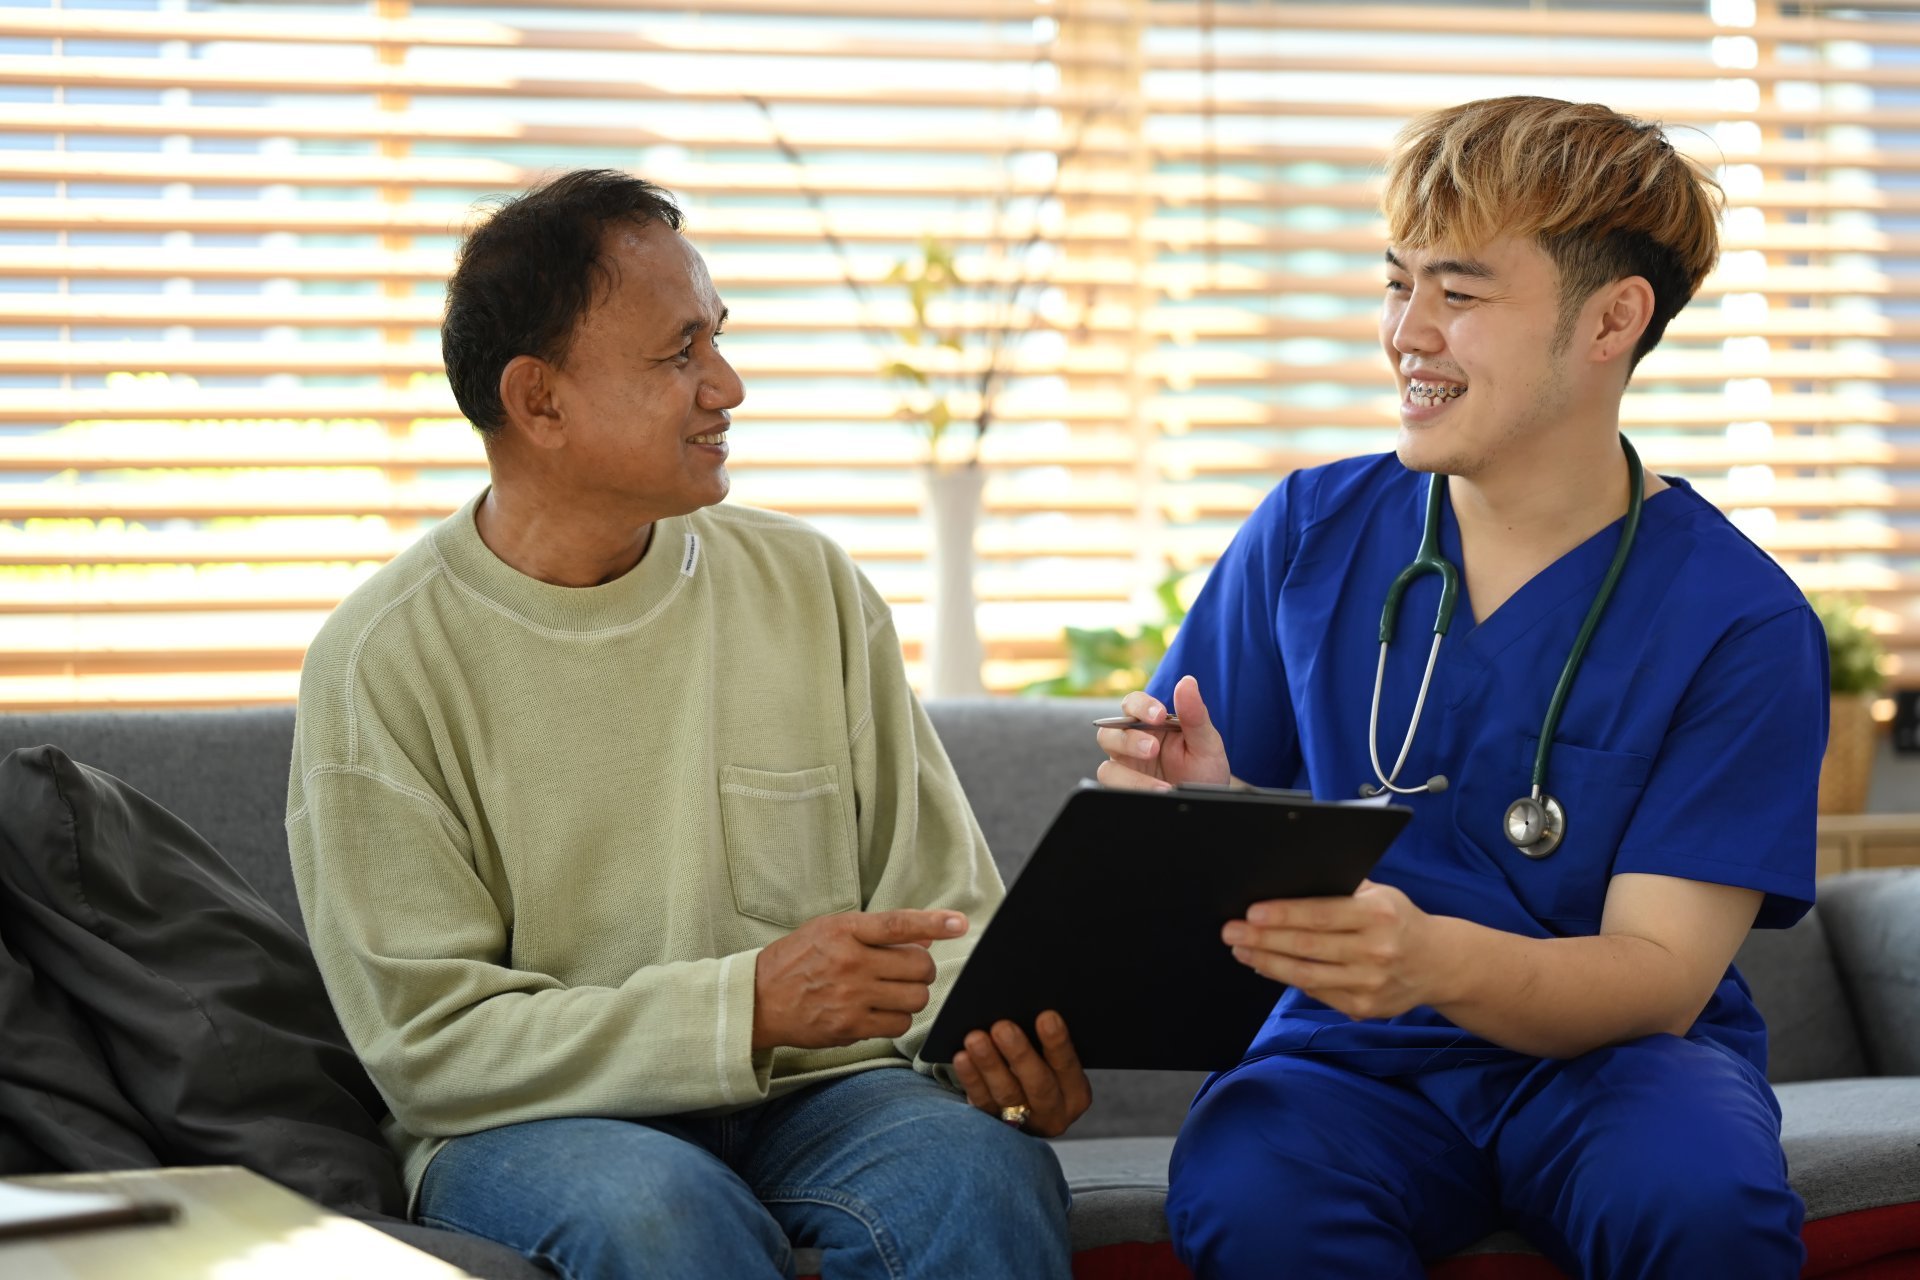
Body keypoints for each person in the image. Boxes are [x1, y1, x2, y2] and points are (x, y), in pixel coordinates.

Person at [286, 169, 1089, 1280]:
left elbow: (941, 920)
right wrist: (745, 1003)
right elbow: (432, 1045)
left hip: (827, 1097)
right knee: (660, 1213)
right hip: (537, 1126)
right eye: (680, 354)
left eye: (720, 339)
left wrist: (996, 1050)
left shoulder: (809, 585)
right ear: (540, 402)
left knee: (983, 1175)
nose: (731, 385)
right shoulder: (384, 661)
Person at [1097, 97, 1824, 1278]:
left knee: (1703, 1200)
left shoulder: (1738, 619)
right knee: (1250, 1185)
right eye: (1398, 284)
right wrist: (1200, 807)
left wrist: (1436, 959)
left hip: (1619, 1060)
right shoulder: (1311, 531)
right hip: (1346, 1057)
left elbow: (1658, 971)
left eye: (1460, 293)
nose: (1406, 333)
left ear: (1612, 321)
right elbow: (1177, 861)